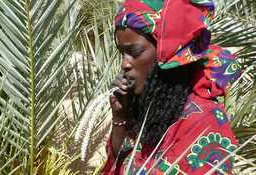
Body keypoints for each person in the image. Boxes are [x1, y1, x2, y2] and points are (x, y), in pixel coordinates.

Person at [102, 0, 242, 174]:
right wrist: (120, 117)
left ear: (166, 53)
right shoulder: (145, 106)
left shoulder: (204, 122)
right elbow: (119, 165)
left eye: (134, 52)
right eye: (122, 53)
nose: (125, 64)